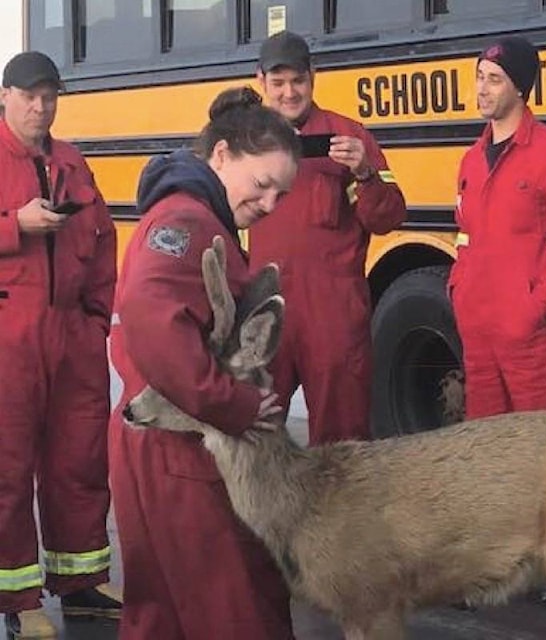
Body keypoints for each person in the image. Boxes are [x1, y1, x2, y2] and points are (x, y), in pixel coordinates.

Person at [108, 87, 299, 639]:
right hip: (178, 448)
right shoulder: (189, 223)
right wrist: (232, 403)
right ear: (220, 155)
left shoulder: (193, 216)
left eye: (280, 196)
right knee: (236, 606)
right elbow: (149, 312)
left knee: (161, 612)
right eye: (262, 185)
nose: (268, 204)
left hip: (157, 441)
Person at [0, 51, 119, 638]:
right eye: (29, 96)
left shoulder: (73, 161)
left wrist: (97, 319)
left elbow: (103, 243)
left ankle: (83, 582)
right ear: (5, 97)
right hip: (8, 337)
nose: (40, 107)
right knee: (8, 468)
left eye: (49, 97)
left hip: (73, 335)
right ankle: (18, 600)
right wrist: (12, 224)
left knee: (80, 459)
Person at [250, 31, 407, 446]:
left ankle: (343, 514)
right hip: (264, 315)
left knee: (342, 447)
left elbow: (389, 216)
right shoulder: (243, 142)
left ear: (314, 77)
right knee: (252, 438)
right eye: (278, 83)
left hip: (333, 320)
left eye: (298, 81)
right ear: (260, 81)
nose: (289, 93)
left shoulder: (348, 136)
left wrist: (364, 173)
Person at [450, 36, 546, 420]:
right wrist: (461, 295)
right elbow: (465, 240)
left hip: (534, 339)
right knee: (487, 451)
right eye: (480, 77)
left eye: (494, 79)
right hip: (479, 335)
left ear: (520, 87)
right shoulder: (471, 161)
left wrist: (533, 311)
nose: (482, 88)